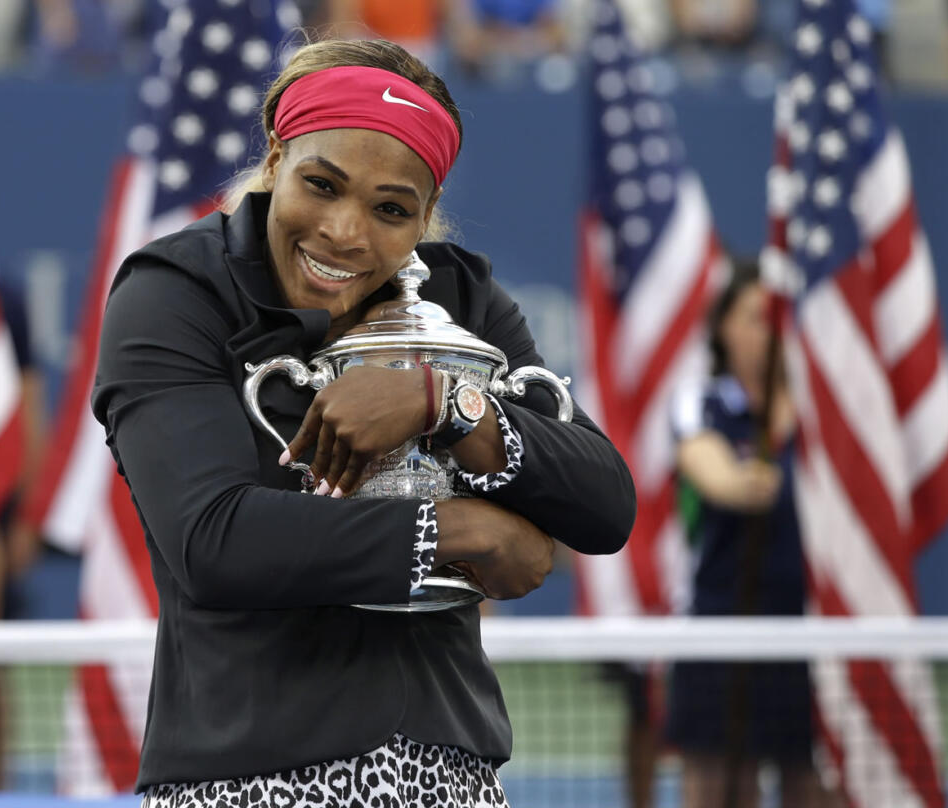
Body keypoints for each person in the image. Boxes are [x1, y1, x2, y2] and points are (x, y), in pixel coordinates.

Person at [91, 38, 635, 805]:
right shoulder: (173, 292)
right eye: (323, 184)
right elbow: (214, 540)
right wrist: (461, 531)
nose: (346, 232)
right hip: (243, 778)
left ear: (425, 218)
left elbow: (606, 505)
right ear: (277, 158)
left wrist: (440, 399)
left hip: (450, 775)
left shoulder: (462, 300)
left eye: (390, 209)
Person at [664, 259, 839, 807]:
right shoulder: (702, 404)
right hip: (720, 630)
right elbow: (716, 476)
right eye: (754, 318)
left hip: (811, 636)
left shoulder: (826, 411)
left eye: (777, 318)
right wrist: (744, 481)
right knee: (721, 790)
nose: (769, 331)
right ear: (724, 329)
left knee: (811, 787)